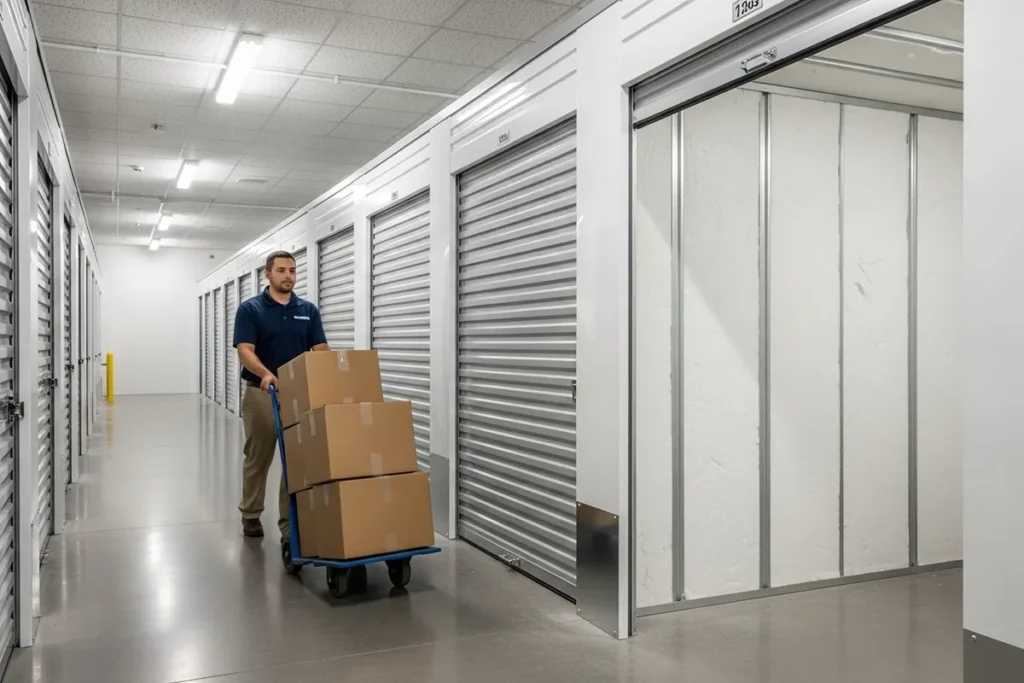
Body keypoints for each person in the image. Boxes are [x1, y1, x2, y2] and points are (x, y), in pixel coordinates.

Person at [233, 251, 328, 539]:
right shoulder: (251, 309)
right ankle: (251, 514)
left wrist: (329, 373)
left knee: (295, 459)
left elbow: (320, 348)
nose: (289, 275)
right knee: (258, 457)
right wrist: (265, 374)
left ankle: (290, 524)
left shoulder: (307, 310)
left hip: (298, 395)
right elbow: (245, 350)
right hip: (261, 393)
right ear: (268, 274)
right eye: (282, 270)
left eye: (293, 271)